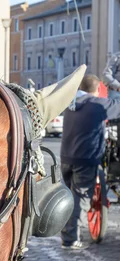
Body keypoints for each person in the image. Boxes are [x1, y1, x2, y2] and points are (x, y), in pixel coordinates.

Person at [60, 74, 120, 250]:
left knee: (71, 197)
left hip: (66, 157)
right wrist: (117, 87)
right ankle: (70, 239)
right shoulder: (98, 104)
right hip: (86, 159)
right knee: (81, 199)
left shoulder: (70, 104)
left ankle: (66, 232)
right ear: (97, 90)